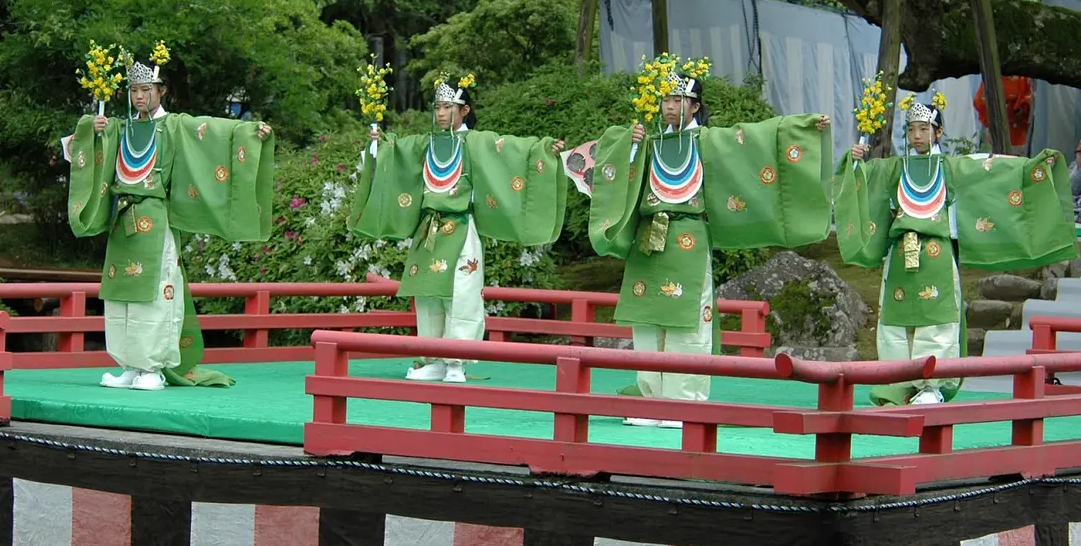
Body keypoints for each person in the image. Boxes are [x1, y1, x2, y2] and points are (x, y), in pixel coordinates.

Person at [581, 58, 834, 427]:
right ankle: (650, 400)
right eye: (666, 99)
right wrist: (626, 145)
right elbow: (614, 173)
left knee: (687, 324)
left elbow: (757, 138)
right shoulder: (650, 141)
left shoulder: (710, 141)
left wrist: (804, 128)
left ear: (696, 106)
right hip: (648, 238)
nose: (670, 106)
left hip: (688, 236)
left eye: (679, 100)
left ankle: (684, 403)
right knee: (648, 321)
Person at [837, 93, 1078, 406]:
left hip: (936, 252)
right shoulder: (894, 168)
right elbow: (863, 182)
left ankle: (930, 386)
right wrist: (855, 160)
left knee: (935, 321)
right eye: (911, 130)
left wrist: (1031, 166)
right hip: (899, 254)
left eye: (924, 129)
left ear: (938, 132)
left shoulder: (951, 168)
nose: (917, 136)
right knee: (894, 322)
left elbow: (991, 172)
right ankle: (894, 383)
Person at [64, 47, 274, 391]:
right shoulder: (117, 127)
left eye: (146, 90)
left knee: (155, 295)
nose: (139, 96)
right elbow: (76, 149)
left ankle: (153, 368)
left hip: (156, 219)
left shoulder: (173, 126)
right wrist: (92, 129)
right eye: (133, 90)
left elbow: (213, 131)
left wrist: (249, 131)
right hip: (123, 221)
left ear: (161, 91)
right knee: (120, 295)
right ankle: (129, 366)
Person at [349, 73, 566, 383]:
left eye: (448, 106)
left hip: (461, 227)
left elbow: (513, 150)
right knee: (427, 296)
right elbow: (396, 152)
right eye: (437, 106)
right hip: (429, 231)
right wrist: (380, 144)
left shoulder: (476, 142)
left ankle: (455, 362)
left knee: (460, 295)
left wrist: (543, 149)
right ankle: (432, 358)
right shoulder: (426, 142)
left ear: (464, 111)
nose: (440, 113)